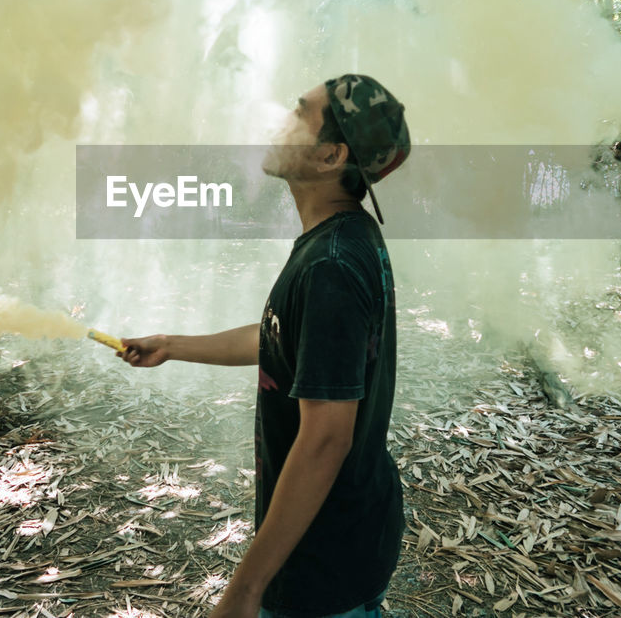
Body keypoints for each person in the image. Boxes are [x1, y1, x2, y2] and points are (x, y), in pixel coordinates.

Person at [120, 74, 411, 618]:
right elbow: (282, 337)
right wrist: (171, 345)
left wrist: (245, 590)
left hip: (324, 563)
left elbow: (326, 439)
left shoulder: (330, 268)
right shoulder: (343, 238)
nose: (281, 120)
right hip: (347, 534)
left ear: (330, 155)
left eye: (300, 113)